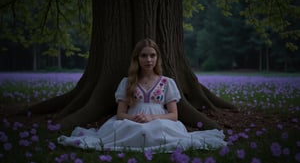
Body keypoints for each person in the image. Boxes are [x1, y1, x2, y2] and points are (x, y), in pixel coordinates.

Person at [57, 38, 227, 152]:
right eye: (144, 55)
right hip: (132, 120)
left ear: (157, 58)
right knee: (128, 129)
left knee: (159, 129)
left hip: (160, 120)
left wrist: (152, 118)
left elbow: (174, 115)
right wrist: (134, 119)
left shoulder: (167, 82)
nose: (148, 60)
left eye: (152, 55)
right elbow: (120, 114)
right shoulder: (127, 82)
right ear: (137, 58)